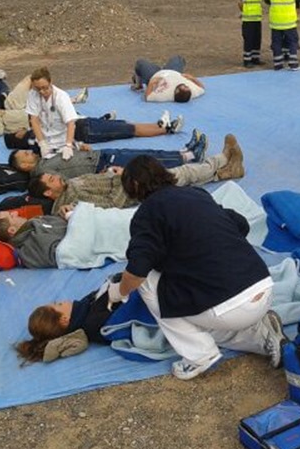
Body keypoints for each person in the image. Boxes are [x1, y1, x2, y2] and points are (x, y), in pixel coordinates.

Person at [105, 156, 287, 380]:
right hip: (263, 287)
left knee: (150, 283)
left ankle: (200, 356)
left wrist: (118, 292)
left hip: (229, 308)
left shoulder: (147, 213)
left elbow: (137, 271)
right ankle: (262, 336)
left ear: (134, 185)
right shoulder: (197, 194)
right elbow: (241, 224)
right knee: (203, 320)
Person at [30, 134, 245, 211]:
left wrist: (109, 174)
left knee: (182, 177)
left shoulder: (70, 185)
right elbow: (112, 204)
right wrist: (122, 177)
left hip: (128, 181)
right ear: (48, 192)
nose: (58, 177)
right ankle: (223, 158)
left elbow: (102, 186)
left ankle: (224, 171)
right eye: (52, 179)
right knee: (183, 174)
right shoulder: (73, 201)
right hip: (136, 189)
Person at [26, 66, 183, 161]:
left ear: (51, 82)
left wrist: (68, 145)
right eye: (38, 89)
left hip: (85, 129)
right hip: (81, 130)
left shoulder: (61, 97)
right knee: (125, 127)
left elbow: (70, 124)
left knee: (128, 128)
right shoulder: (33, 95)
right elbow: (34, 119)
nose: (42, 92)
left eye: (44, 88)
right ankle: (165, 127)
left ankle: (165, 128)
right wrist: (43, 143)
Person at [9, 128, 208, 179]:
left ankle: (183, 151)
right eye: (25, 155)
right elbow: (65, 180)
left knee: (145, 152)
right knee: (146, 161)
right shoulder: (43, 172)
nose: (29, 152)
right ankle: (190, 157)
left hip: (98, 156)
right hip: (100, 165)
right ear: (25, 166)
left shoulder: (45, 160)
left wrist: (78, 149)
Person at [15, 278, 123, 362]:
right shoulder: (92, 323)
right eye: (59, 304)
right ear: (64, 319)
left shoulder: (83, 309)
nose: (63, 301)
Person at [130, 55, 205, 102]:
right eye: (187, 87)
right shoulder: (193, 92)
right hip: (173, 71)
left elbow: (147, 97)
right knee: (178, 58)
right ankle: (163, 68)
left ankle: (138, 84)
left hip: (155, 75)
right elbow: (202, 88)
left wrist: (152, 83)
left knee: (140, 63)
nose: (186, 85)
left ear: (177, 91)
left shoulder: (165, 96)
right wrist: (192, 78)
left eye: (184, 87)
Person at [239, 0, 265, 67]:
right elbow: (240, 1)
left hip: (257, 18)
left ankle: (255, 58)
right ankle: (247, 60)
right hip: (248, 19)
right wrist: (243, 11)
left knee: (257, 39)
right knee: (249, 40)